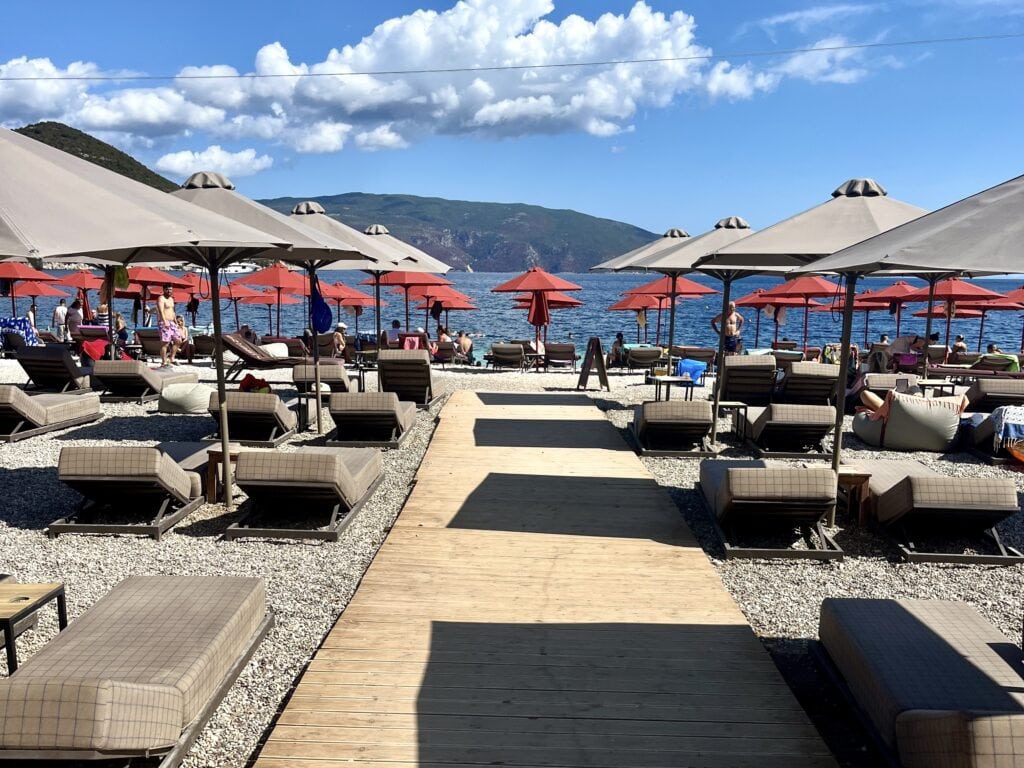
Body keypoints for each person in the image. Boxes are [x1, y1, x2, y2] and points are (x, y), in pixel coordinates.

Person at [156, 284, 182, 368]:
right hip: (164, 322)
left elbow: (172, 311)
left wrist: (175, 321)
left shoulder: (171, 299)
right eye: (167, 289)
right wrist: (164, 321)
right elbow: (161, 311)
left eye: (171, 289)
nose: (169, 291)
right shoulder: (161, 298)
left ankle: (172, 358)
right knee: (165, 343)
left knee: (178, 340)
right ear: (163, 290)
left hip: (172, 322)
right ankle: (164, 362)